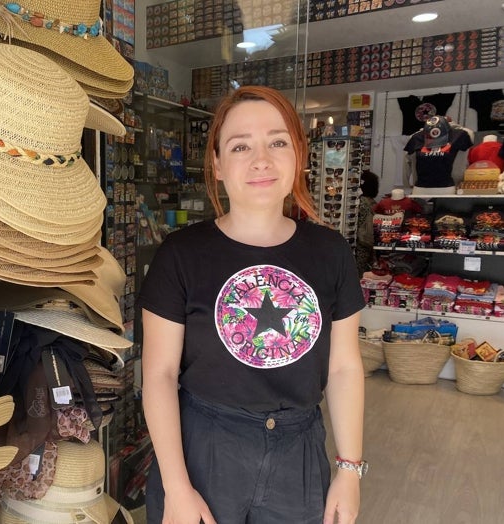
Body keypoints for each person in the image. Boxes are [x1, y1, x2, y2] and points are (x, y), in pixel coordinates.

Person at [138, 85, 367, 524]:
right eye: (240, 146)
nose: (261, 159)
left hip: (299, 452)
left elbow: (344, 368)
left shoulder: (331, 251)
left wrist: (349, 470)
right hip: (204, 449)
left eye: (277, 141)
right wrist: (177, 488)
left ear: (299, 154)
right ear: (218, 166)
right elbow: (160, 376)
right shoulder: (180, 254)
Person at [356, 170, 380, 276]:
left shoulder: (359, 203)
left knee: (357, 274)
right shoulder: (374, 204)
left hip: (359, 244)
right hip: (369, 243)